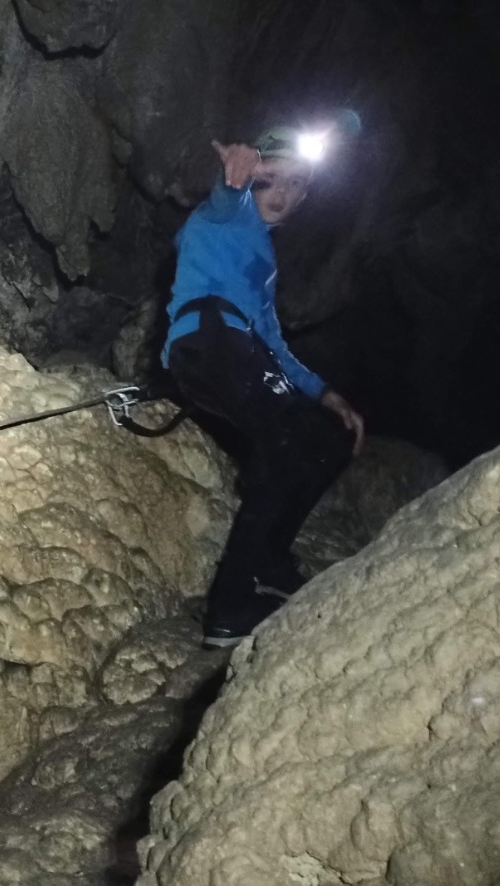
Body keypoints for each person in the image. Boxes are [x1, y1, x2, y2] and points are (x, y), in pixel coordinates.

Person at [161, 125, 365, 649]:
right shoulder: (225, 217)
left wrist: (324, 393)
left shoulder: (265, 260)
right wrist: (237, 173)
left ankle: (270, 559)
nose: (284, 193)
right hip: (210, 343)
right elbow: (225, 198)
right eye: (273, 179)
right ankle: (229, 608)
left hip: (242, 351)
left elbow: (272, 340)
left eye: (297, 184)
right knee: (283, 446)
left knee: (330, 437)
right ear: (254, 179)